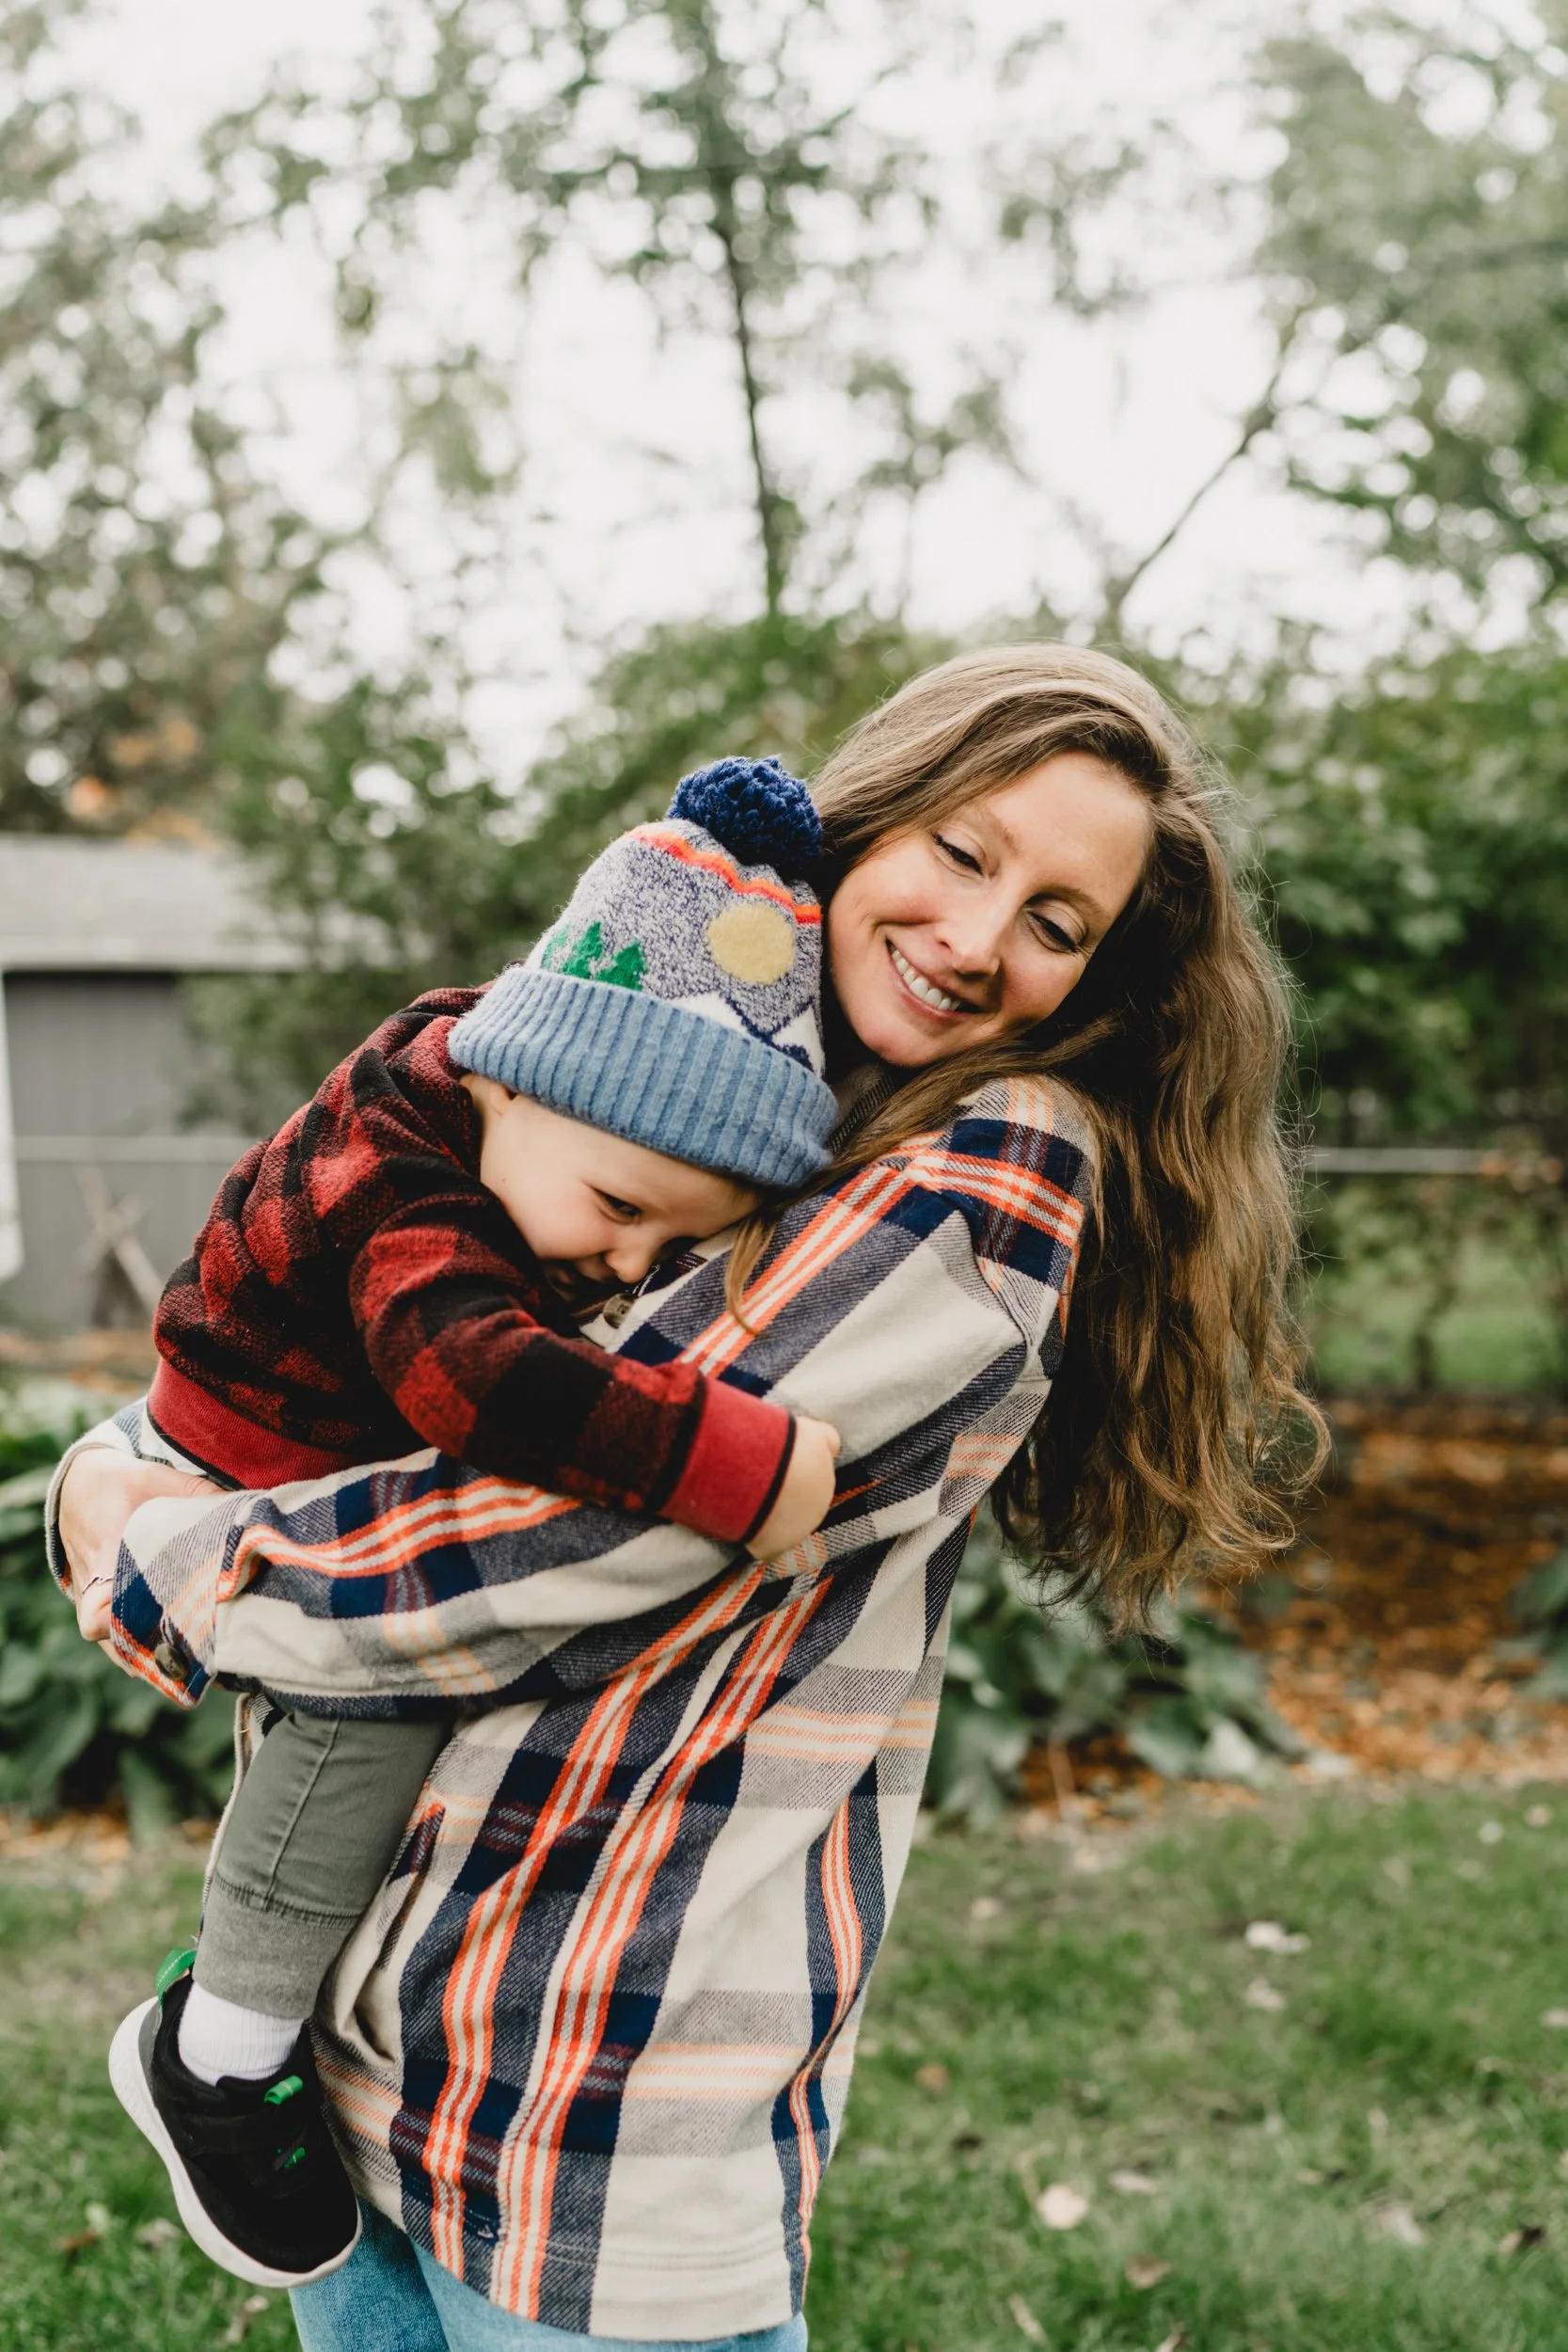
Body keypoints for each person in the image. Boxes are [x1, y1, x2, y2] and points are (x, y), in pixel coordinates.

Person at [55, 644, 1323, 2352]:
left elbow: (564, 1531)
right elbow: (371, 1336)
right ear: (866, 822)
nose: (976, 939)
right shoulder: (710, 1068)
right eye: (961, 852)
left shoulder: (989, 1162)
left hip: (591, 2075)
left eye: (1054, 922)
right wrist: (140, 1460)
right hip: (368, 2026)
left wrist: (152, 1544)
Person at [91, 756, 847, 2290]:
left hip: (305, 1442)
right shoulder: (407, 1190)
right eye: (618, 1211)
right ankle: (217, 2054)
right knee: (362, 1693)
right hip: (251, 1462)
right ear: (515, 1083)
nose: (625, 1265)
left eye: (673, 1245)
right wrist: (733, 1461)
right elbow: (473, 1381)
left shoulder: (492, 1099)